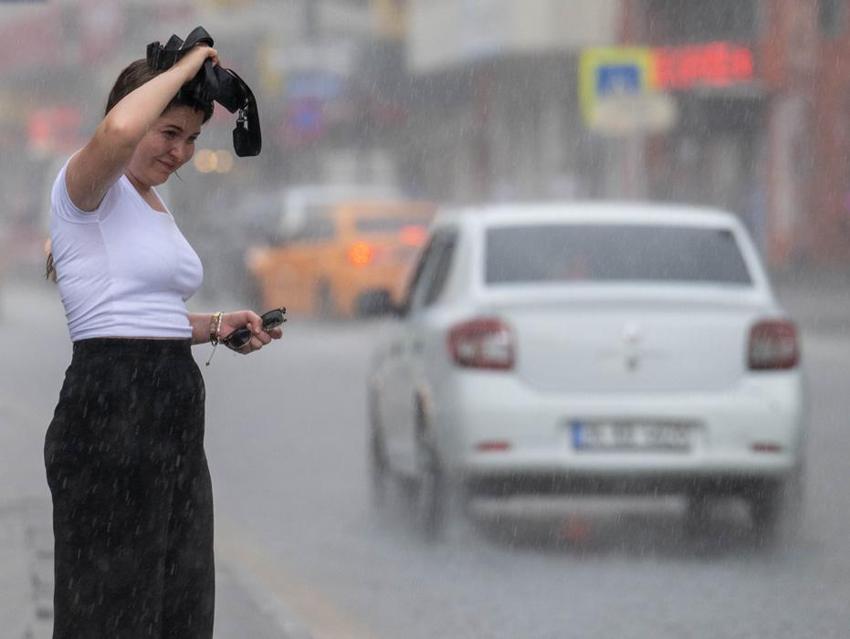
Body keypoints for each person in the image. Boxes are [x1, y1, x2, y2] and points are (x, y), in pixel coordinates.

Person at [43, 43, 282, 638]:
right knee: (112, 616)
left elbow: (146, 313)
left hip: (173, 419)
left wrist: (217, 325)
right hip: (109, 414)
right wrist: (184, 66)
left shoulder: (152, 203)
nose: (180, 151)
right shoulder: (83, 189)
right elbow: (120, 127)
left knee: (180, 610)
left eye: (193, 138)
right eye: (169, 131)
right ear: (135, 116)